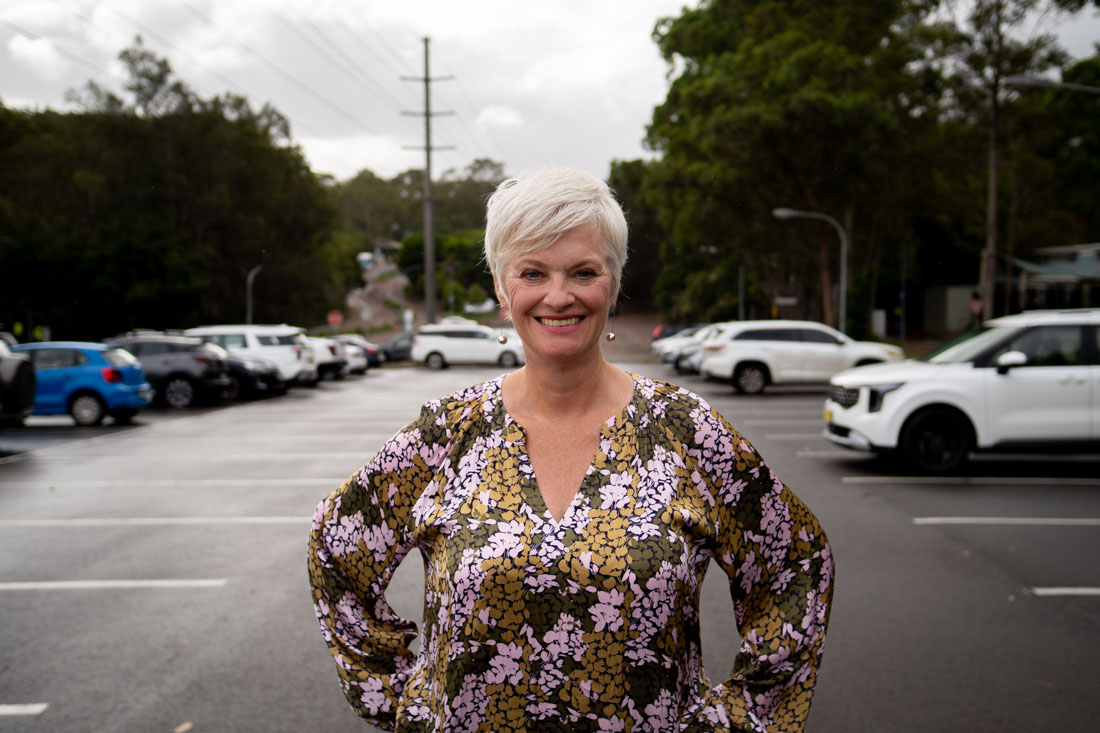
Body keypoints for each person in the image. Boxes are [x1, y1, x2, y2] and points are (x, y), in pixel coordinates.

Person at [307, 168, 834, 732]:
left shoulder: (685, 431)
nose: (559, 296)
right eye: (533, 272)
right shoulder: (448, 434)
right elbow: (336, 550)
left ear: (613, 281)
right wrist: (409, 701)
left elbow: (794, 564)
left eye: (583, 272)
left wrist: (740, 719)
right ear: (503, 292)